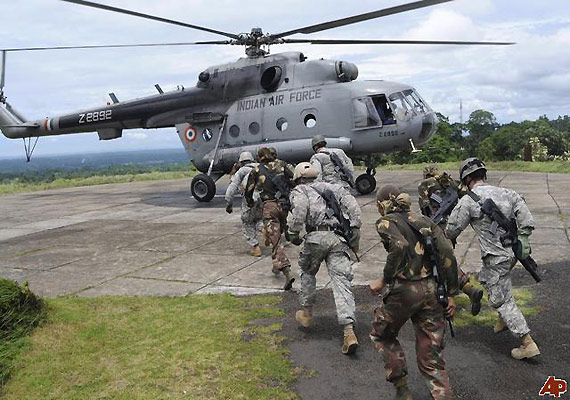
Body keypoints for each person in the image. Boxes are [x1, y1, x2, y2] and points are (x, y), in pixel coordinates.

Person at [370, 185, 458, 400]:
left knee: (382, 335)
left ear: (381, 204)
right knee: (431, 352)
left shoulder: (386, 222)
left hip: (404, 291)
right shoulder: (425, 221)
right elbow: (447, 252)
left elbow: (399, 245)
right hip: (431, 290)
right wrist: (451, 293)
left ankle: (402, 389)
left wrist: (384, 280)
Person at [446, 158, 540, 360]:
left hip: (496, 258)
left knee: (500, 299)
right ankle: (503, 319)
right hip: (512, 254)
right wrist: (523, 236)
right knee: (488, 279)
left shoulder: (468, 200)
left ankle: (527, 343)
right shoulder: (507, 192)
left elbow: (451, 230)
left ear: (467, 179)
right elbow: (526, 217)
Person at [287, 162, 362, 355]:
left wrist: (293, 232)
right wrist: (355, 228)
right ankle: (349, 331)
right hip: (337, 238)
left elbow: (299, 212)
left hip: (315, 238)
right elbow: (353, 207)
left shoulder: (300, 191)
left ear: (298, 177)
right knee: (341, 281)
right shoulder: (333, 187)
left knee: (307, 272)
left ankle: (306, 314)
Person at [418, 165, 483, 316]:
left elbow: (424, 206)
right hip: (450, 226)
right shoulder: (452, 183)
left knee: (440, 261)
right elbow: (468, 194)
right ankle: (468, 290)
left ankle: (457, 293)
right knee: (447, 259)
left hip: (436, 227)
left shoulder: (425, 185)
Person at [245, 147, 295, 290]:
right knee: (279, 233)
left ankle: (286, 270)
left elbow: (249, 191)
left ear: (260, 157)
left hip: (269, 207)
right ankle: (276, 265)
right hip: (284, 206)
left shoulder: (256, 170)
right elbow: (294, 180)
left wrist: (250, 203)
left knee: (276, 240)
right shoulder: (283, 165)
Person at [225, 151, 263, 257]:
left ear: (241, 162)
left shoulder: (242, 171)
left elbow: (231, 189)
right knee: (260, 219)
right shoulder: (261, 167)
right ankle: (265, 229)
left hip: (249, 199)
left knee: (247, 222)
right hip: (263, 198)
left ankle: (255, 247)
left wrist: (229, 204)